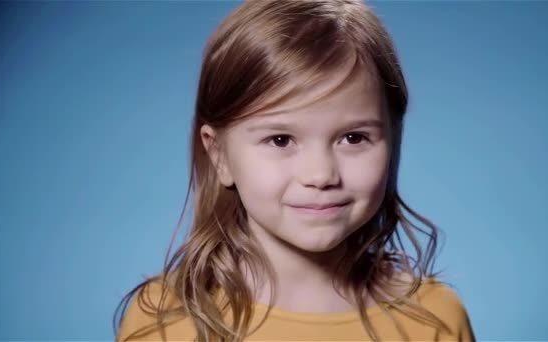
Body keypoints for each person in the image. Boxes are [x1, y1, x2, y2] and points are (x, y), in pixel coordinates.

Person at [114, 0, 475, 341]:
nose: (320, 175)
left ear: (393, 141)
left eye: (353, 137)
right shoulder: (164, 323)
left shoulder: (435, 319)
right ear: (220, 155)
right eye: (281, 140)